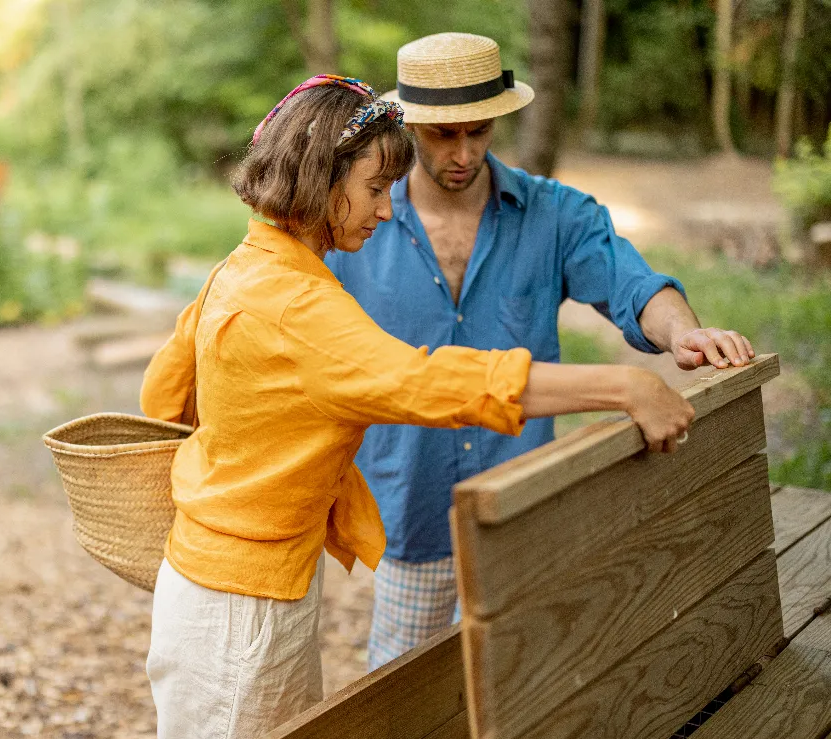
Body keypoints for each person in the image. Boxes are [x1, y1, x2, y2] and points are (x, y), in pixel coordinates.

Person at [139, 74, 694, 739]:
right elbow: (424, 381)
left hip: (245, 582)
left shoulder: (250, 266)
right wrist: (620, 384)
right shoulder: (295, 302)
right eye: (374, 189)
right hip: (237, 607)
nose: (382, 209)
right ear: (321, 175)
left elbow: (163, 392)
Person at [323, 33, 757, 671]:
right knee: (403, 698)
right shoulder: (359, 221)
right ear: (412, 127)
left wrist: (682, 333)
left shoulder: (555, 214)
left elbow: (631, 284)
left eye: (479, 132)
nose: (464, 153)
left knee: (525, 684)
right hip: (407, 508)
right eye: (445, 136)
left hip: (521, 507)